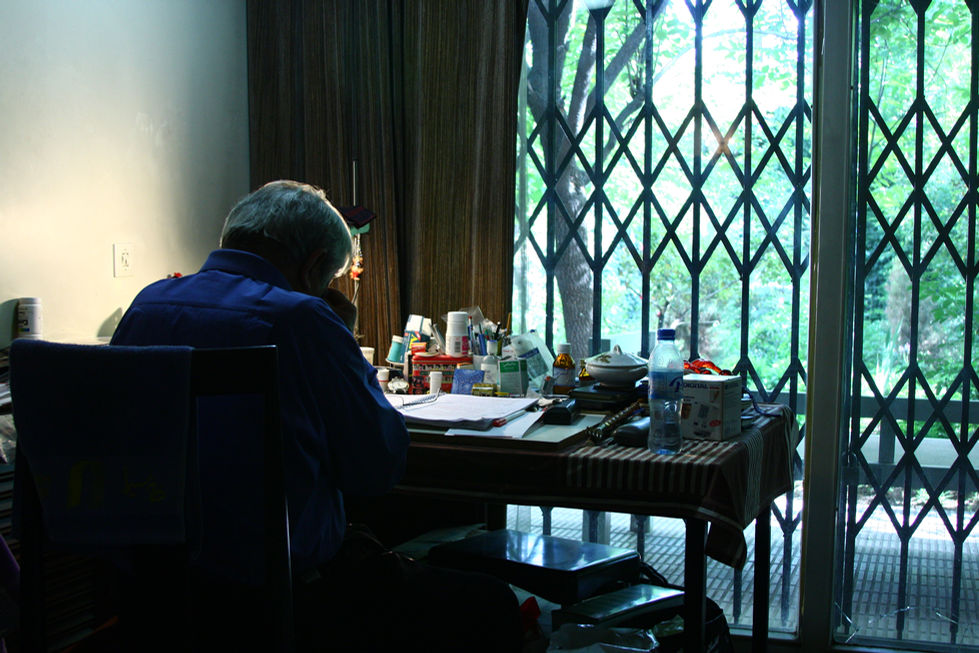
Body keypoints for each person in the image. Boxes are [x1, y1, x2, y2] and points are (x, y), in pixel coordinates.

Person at [111, 180, 523, 652]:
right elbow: (376, 468)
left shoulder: (147, 305)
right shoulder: (301, 319)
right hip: (289, 599)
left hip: (158, 596)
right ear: (311, 268)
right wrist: (340, 337)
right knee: (489, 602)